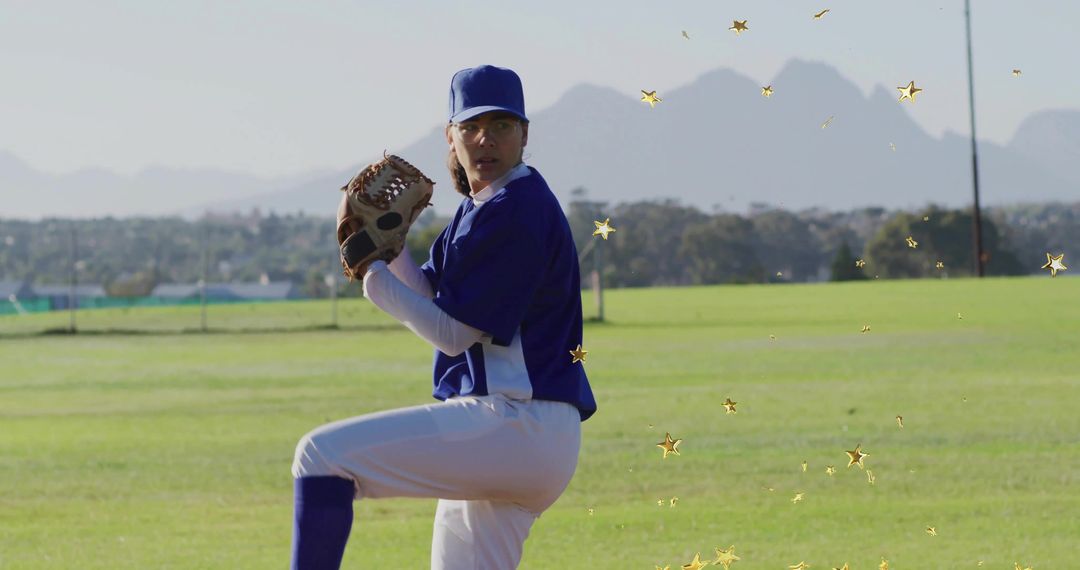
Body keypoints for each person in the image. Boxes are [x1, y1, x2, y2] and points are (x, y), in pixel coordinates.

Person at [290, 64, 597, 570]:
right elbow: (433, 293)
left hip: (516, 423)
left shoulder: (517, 211)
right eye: (471, 127)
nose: (485, 139)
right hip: (521, 434)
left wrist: (372, 277)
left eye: (501, 125)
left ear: (524, 134)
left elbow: (452, 334)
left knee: (320, 458)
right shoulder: (487, 206)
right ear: (450, 136)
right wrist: (391, 253)